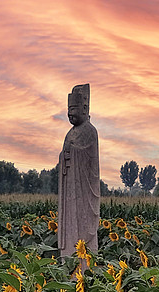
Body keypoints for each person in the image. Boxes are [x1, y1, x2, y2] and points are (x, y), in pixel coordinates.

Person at [58, 84, 100, 257]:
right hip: (70, 190)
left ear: (84, 109)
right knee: (70, 226)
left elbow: (88, 158)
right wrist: (64, 156)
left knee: (82, 227)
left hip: (83, 190)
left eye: (74, 108)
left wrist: (72, 153)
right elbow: (65, 153)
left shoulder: (90, 131)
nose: (70, 113)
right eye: (69, 109)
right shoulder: (70, 133)